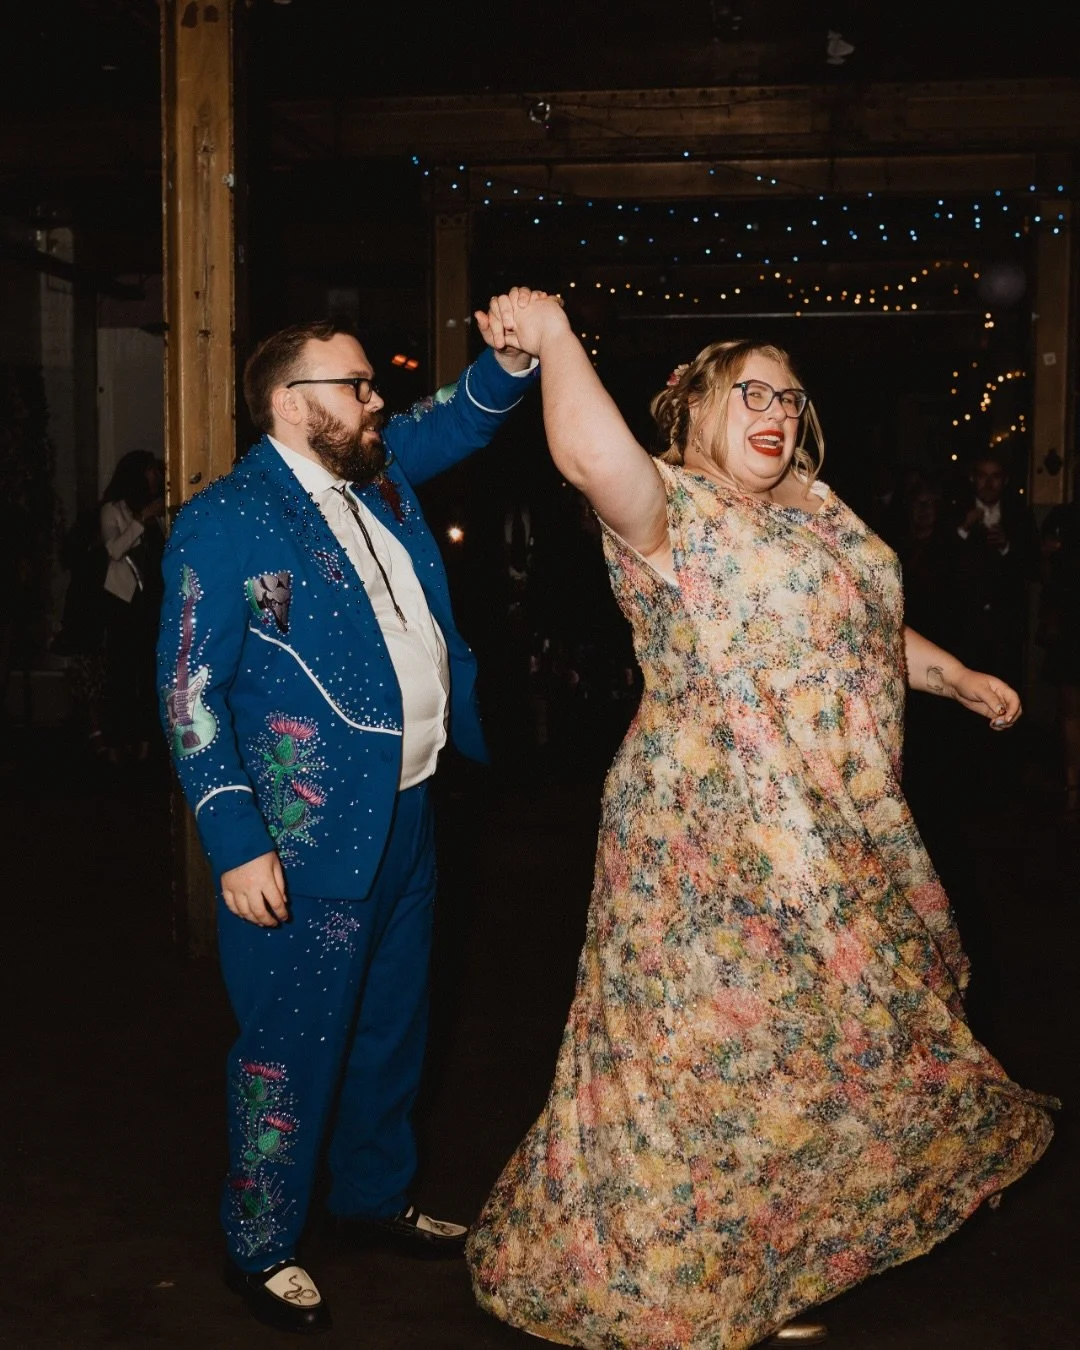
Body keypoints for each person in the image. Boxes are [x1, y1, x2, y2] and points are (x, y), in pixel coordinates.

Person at [465, 291, 1056, 1350]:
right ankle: (685, 1280)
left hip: (834, 832)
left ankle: (767, 1257)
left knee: (806, 1052)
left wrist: (952, 675)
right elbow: (595, 463)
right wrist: (555, 339)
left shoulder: (816, 509)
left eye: (789, 394)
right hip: (709, 836)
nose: (775, 409)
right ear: (692, 411)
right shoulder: (671, 508)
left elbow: (854, 627)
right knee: (704, 1062)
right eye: (748, 391)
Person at [156, 302, 539, 1335]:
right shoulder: (227, 519)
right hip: (303, 838)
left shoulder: (380, 470)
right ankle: (260, 1242)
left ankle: (372, 1198)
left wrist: (505, 364)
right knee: (290, 1046)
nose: (377, 402)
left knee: (389, 1028)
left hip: (409, 813)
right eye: (357, 385)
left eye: (372, 386)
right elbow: (190, 691)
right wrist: (235, 842)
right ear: (291, 403)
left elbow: (456, 418)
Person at [100, 450, 167, 763]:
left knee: (149, 673)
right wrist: (141, 520)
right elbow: (114, 549)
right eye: (151, 472)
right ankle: (116, 742)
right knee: (121, 674)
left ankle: (145, 742)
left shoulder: (160, 512)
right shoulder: (113, 511)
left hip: (152, 601)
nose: (156, 477)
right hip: (124, 602)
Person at [1037, 496, 1080, 814]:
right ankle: (1073, 789)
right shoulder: (1063, 515)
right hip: (1070, 623)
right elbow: (1044, 567)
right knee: (1070, 711)